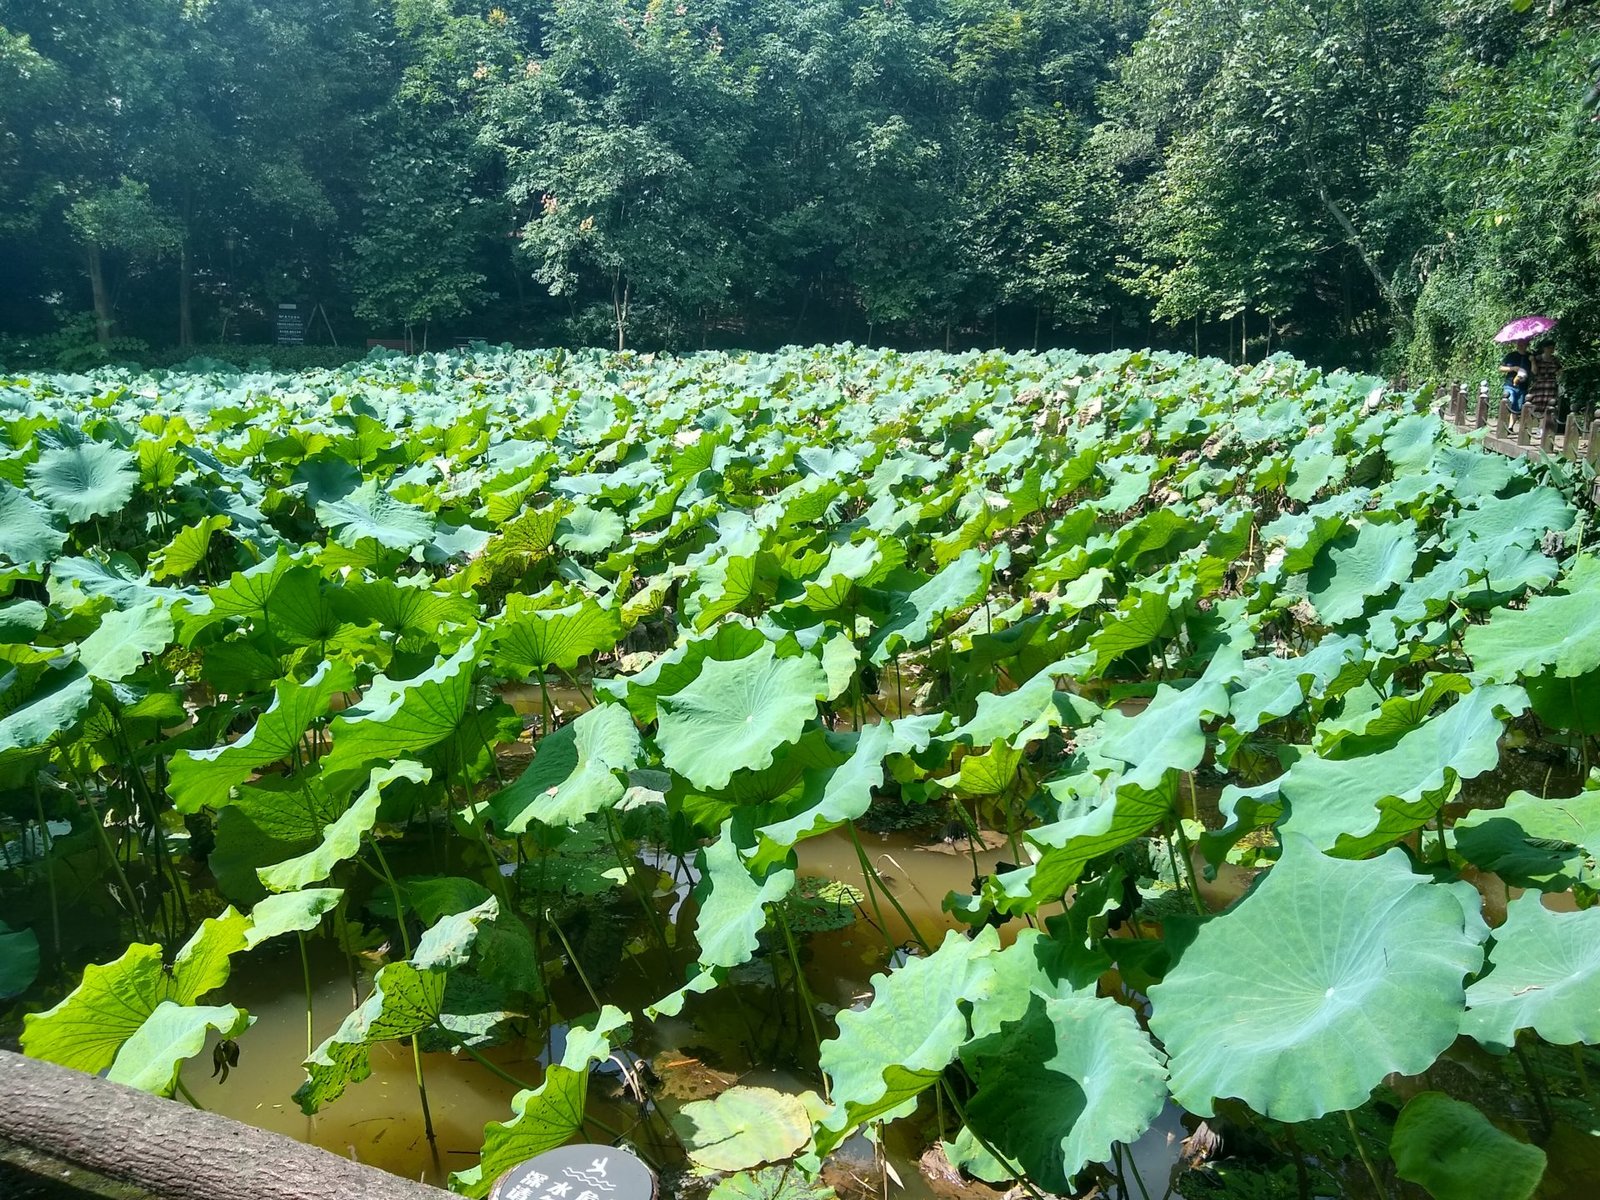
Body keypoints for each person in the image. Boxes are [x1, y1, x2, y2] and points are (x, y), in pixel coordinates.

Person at [1528, 341, 1561, 427]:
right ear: (1544, 348)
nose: (1551, 350)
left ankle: (1543, 427)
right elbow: (1534, 372)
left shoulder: (1555, 360)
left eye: (1552, 348)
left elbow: (1559, 371)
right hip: (1540, 385)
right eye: (1549, 348)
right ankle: (1533, 425)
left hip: (1551, 386)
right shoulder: (1537, 358)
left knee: (1549, 406)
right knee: (1537, 405)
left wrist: (1559, 375)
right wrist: (1532, 361)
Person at [1499, 338, 1533, 414]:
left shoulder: (1530, 357)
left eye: (1523, 344)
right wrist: (1513, 368)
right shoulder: (1511, 355)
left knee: (1517, 408)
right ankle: (1504, 422)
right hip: (1510, 384)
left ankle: (1510, 426)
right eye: (1519, 344)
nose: (1521, 345)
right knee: (1509, 402)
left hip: (1523, 386)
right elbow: (1501, 368)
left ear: (1527, 345)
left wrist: (1533, 361)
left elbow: (1534, 371)